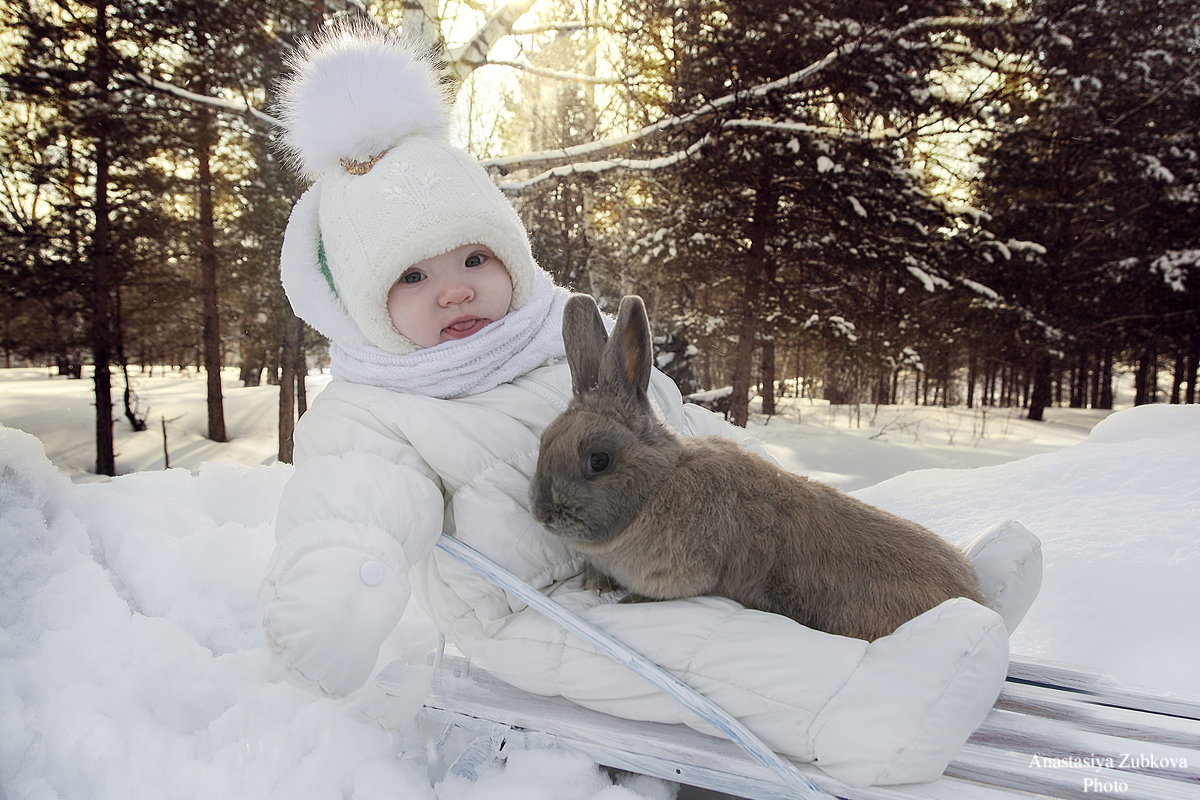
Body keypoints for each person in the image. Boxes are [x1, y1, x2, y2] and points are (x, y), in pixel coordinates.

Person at [259, 25, 1043, 788]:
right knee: (718, 644)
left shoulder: (547, 330)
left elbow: (670, 424)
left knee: (795, 541)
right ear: (364, 303)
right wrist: (334, 595)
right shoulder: (376, 409)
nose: (456, 287)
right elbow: (350, 510)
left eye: (473, 257)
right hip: (551, 610)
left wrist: (736, 465)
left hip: (654, 554)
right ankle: (873, 714)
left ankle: (937, 597)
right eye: (412, 277)